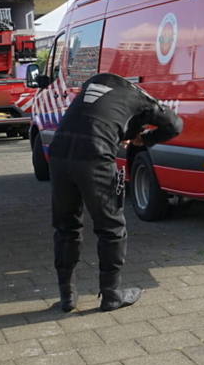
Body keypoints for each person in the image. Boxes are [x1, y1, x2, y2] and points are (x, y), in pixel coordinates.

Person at [50, 73, 183, 312]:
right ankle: (112, 295)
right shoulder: (143, 101)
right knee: (111, 229)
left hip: (58, 153)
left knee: (66, 227)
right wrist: (145, 139)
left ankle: (67, 296)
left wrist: (125, 133)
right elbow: (175, 125)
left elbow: (103, 119)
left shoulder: (92, 85)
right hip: (95, 157)